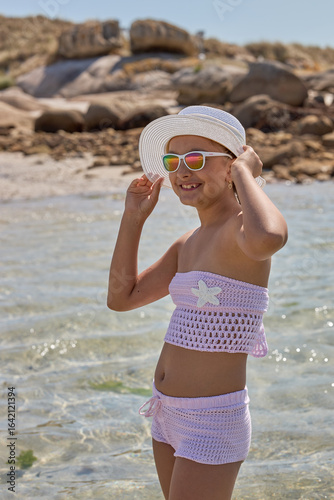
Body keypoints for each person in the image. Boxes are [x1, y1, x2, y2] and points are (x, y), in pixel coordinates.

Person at [107, 105, 288, 500]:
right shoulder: (186, 243)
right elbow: (122, 298)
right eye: (173, 160)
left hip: (212, 420)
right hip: (166, 413)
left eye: (196, 159)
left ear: (230, 166)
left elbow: (270, 238)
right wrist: (133, 219)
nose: (182, 171)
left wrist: (246, 173)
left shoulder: (241, 231)